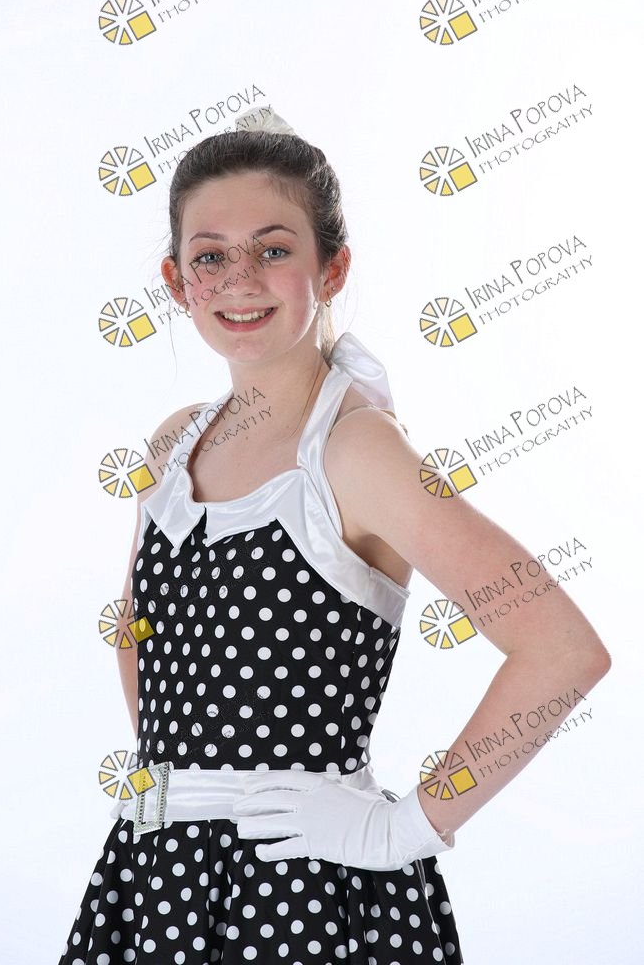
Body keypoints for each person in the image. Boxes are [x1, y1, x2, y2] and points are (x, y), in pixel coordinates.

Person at [57, 107, 611, 964]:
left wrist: (406, 826)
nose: (240, 279)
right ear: (176, 281)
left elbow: (560, 650)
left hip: (303, 883)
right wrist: (180, 803)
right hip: (156, 871)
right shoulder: (172, 445)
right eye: (211, 256)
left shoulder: (355, 451)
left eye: (274, 250)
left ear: (332, 267)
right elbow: (142, 641)